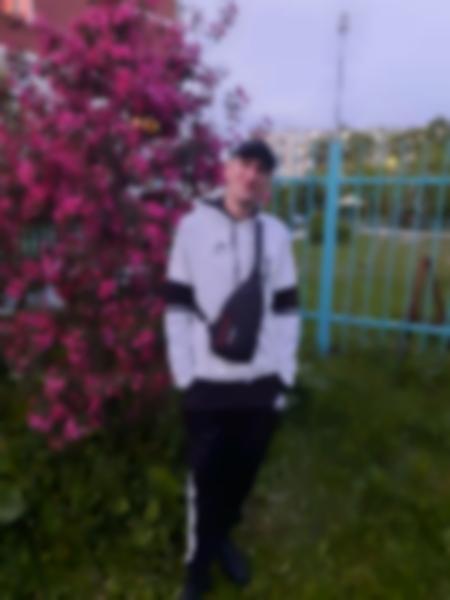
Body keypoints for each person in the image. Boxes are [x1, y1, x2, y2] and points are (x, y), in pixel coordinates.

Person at [164, 139, 300, 600]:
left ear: (267, 181)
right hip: (208, 382)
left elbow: (287, 309)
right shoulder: (191, 229)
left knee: (242, 476)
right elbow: (177, 306)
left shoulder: (276, 235)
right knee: (204, 481)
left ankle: (221, 538)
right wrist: (185, 375)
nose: (251, 174)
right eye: (245, 163)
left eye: (262, 168)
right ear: (227, 169)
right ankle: (197, 566)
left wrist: (283, 376)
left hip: (260, 384)